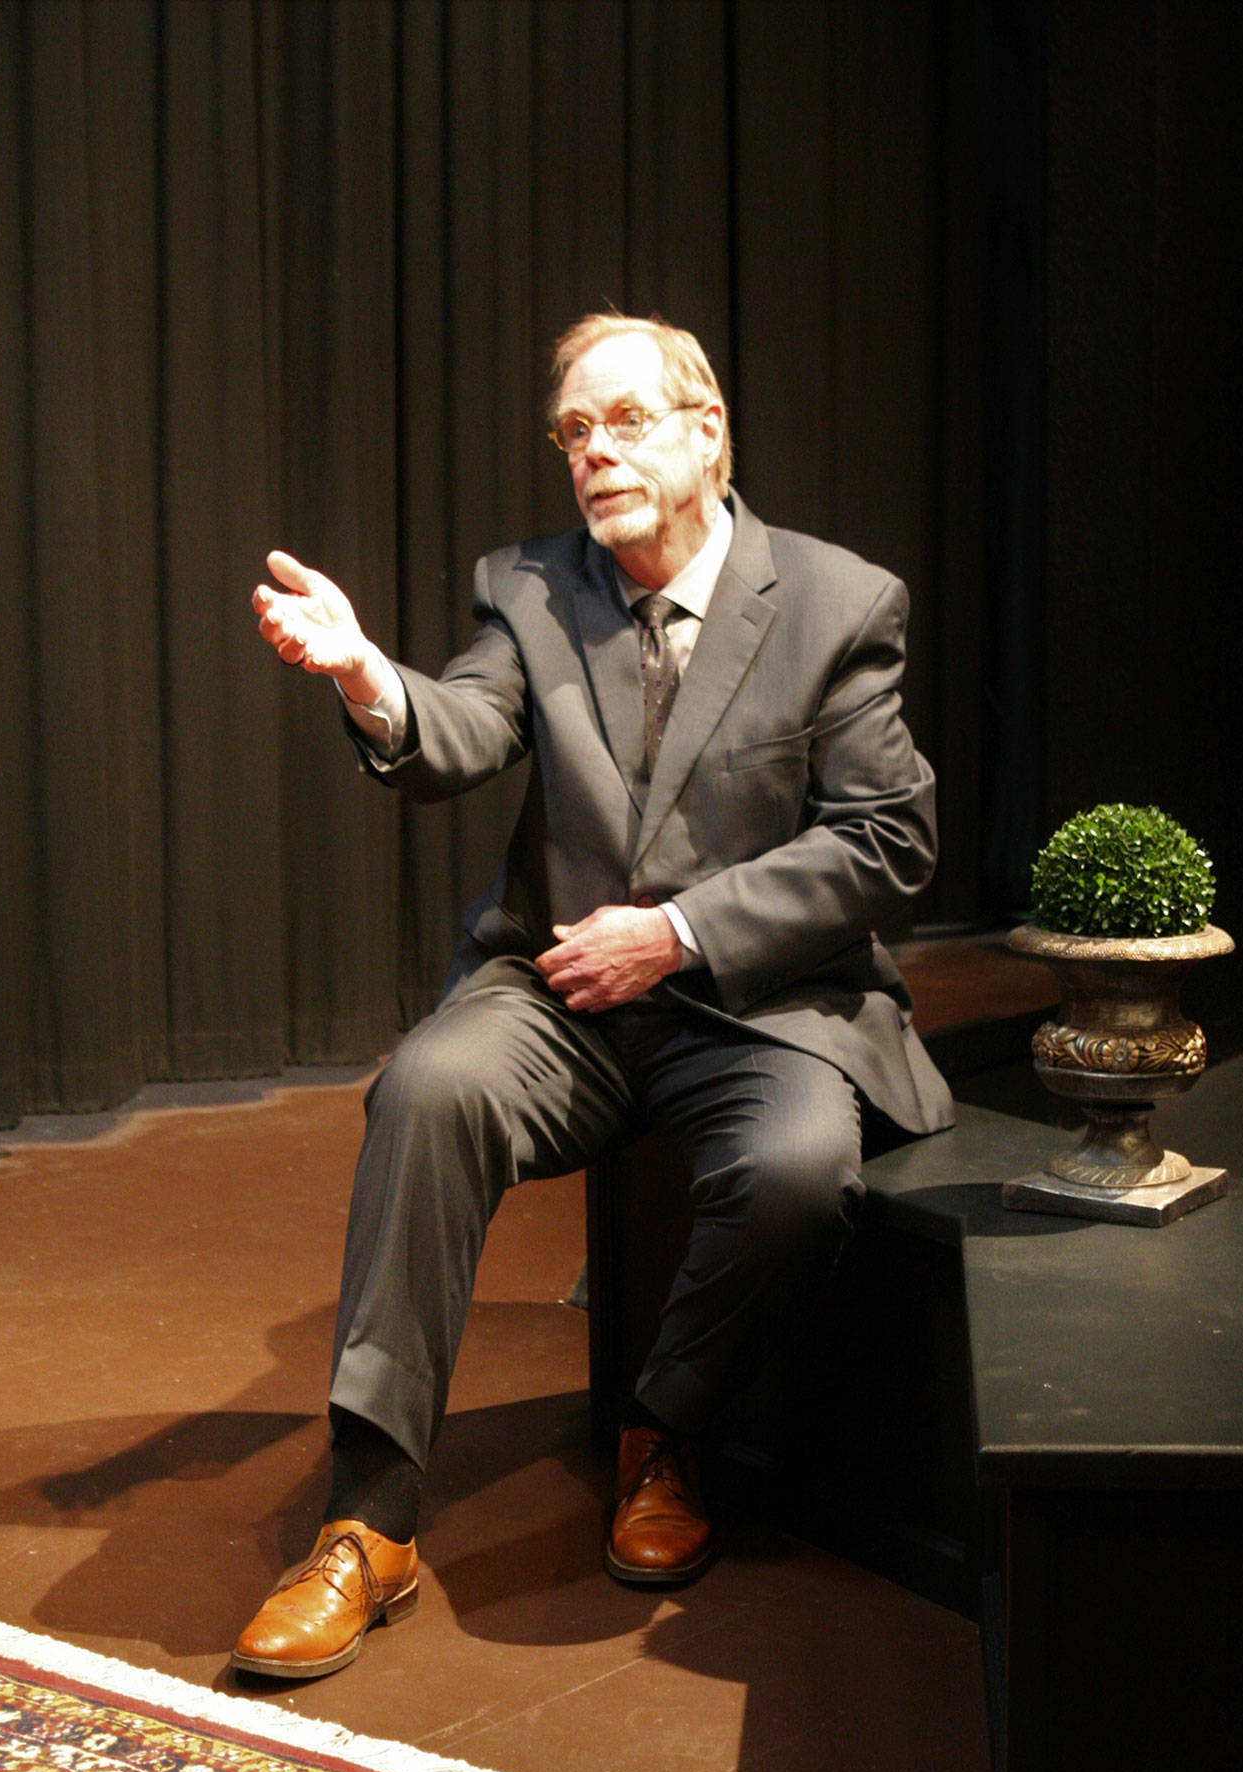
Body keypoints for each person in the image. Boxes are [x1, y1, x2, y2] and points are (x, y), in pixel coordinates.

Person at [233, 312, 952, 1680]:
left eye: (625, 422)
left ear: (706, 433)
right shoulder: (530, 586)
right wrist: (365, 676)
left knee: (800, 1164)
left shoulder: (839, 600)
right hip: (560, 994)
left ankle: (664, 1428)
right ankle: (369, 1523)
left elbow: (886, 842)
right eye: (573, 432)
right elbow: (462, 732)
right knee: (429, 1088)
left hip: (760, 1002)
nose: (594, 454)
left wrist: (680, 931)